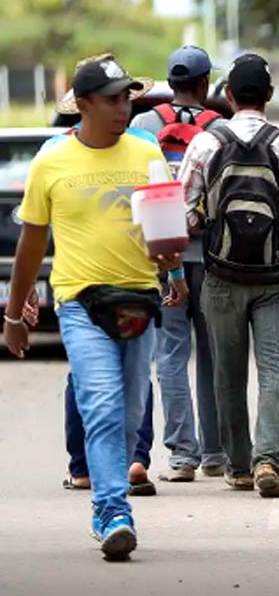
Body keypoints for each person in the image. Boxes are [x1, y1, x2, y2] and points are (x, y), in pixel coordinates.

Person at [3, 56, 186, 561]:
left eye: (128, 97)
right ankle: (112, 511)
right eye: (112, 99)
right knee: (102, 404)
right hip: (80, 302)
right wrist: (14, 316)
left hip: (138, 301)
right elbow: (31, 245)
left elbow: (165, 228)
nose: (123, 107)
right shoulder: (51, 161)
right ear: (82, 105)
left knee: (129, 413)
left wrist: (172, 270)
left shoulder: (147, 151)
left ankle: (111, 497)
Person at [179, 53, 279, 498]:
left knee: (227, 370)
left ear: (228, 96)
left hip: (219, 274)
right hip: (275, 276)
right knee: (277, 369)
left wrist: (202, 225)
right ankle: (269, 462)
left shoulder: (205, 143)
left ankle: (239, 466)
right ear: (270, 96)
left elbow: (182, 213)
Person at [129, 45, 229, 482]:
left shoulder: (142, 125)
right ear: (206, 83)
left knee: (170, 353)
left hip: (163, 255)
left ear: (171, 82)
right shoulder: (222, 128)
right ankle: (214, 454)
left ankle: (182, 456)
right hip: (211, 256)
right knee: (212, 354)